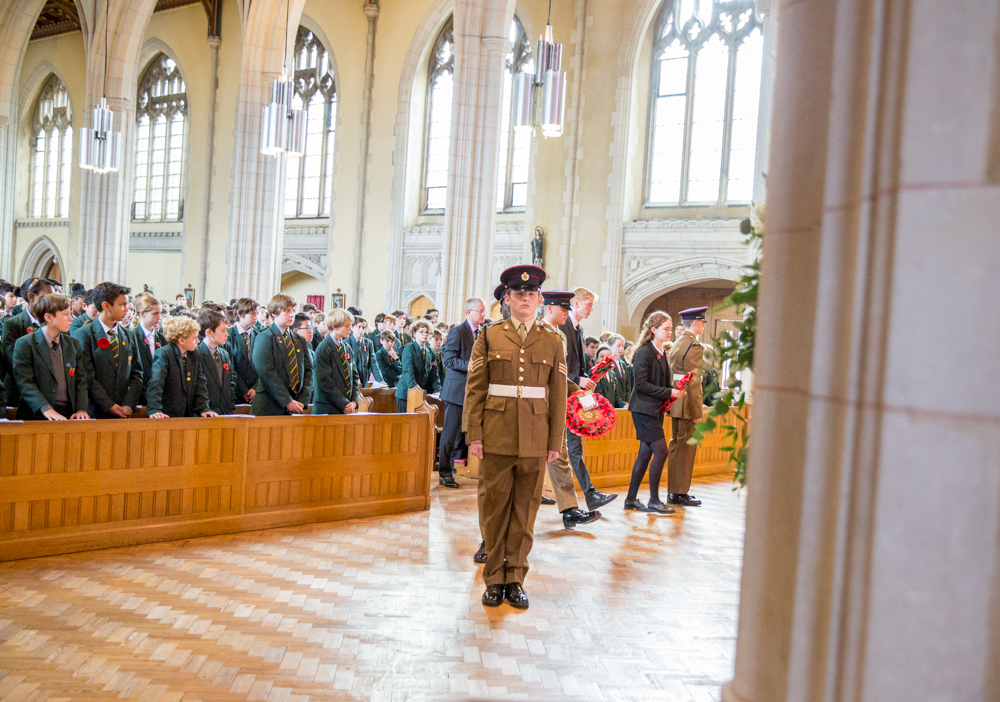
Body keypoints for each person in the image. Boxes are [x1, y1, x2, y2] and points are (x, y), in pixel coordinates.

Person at [464, 266, 566, 610]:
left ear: (539, 300)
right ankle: (494, 578)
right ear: (507, 300)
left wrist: (556, 441)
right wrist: (474, 433)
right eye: (518, 294)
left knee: (525, 513)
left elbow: (558, 394)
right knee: (494, 510)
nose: (525, 299)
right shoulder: (490, 336)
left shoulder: (552, 340)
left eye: (531, 294)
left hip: (536, 436)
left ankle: (516, 578)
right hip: (496, 433)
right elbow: (475, 389)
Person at [539, 290, 602, 528]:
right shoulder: (542, 334)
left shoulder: (559, 335)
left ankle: (570, 510)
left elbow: (560, 375)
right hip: (538, 407)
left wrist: (582, 396)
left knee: (559, 456)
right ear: (548, 308)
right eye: (563, 309)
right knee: (542, 459)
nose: (567, 313)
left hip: (556, 406)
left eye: (567, 309)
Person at [558, 287, 617, 510]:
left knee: (573, 446)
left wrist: (586, 381)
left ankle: (589, 495)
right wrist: (577, 379)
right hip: (564, 391)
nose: (591, 308)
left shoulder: (578, 328)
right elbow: (558, 364)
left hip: (576, 393)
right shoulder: (563, 326)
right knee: (569, 448)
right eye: (589, 304)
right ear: (575, 303)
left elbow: (578, 363)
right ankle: (586, 496)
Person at [625, 311, 687, 513]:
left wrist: (674, 391)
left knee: (645, 455)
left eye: (670, 329)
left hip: (654, 410)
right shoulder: (645, 352)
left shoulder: (660, 352)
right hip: (643, 409)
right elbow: (641, 385)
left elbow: (660, 382)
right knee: (661, 451)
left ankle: (631, 500)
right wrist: (669, 391)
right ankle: (653, 500)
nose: (670, 332)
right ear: (654, 330)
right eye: (666, 329)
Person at [11, 293, 89, 421]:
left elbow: (80, 380)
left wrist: (81, 408)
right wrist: (45, 408)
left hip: (69, 411)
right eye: (65, 314)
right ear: (48, 317)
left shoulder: (72, 344)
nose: (71, 318)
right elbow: (25, 382)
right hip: (36, 412)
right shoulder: (26, 343)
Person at [72, 282, 144, 419]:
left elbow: (137, 373)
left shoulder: (128, 335)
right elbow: (87, 376)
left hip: (123, 410)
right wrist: (108, 405)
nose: (126, 310)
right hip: (95, 410)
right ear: (105, 306)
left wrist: (129, 405)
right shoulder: (85, 334)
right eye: (121, 305)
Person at [438, 297, 485, 488]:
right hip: (456, 390)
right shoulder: (457, 331)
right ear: (469, 312)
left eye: (484, 311)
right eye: (480, 311)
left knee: (465, 433)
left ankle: (469, 468)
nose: (483, 315)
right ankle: (444, 473)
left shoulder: (482, 333)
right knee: (450, 433)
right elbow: (449, 359)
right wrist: (473, 367)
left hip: (474, 391)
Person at [667, 306, 707, 507]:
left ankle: (675, 490)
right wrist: (698, 413)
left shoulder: (677, 343)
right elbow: (694, 381)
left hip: (676, 401)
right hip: (687, 404)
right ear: (697, 324)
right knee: (685, 449)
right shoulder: (694, 346)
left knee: (676, 446)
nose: (702, 326)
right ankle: (679, 492)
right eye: (702, 323)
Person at [251, 294, 313, 416]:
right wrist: (287, 401)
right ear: (274, 313)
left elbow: (308, 370)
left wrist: (302, 400)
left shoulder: (298, 339)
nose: (291, 315)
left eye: (293, 311)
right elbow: (266, 372)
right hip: (269, 406)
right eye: (286, 311)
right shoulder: (265, 337)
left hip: (296, 405)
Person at [147, 316, 216, 419]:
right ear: (181, 340)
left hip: (188, 414)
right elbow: (156, 383)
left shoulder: (194, 355)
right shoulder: (164, 353)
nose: (198, 341)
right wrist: (155, 409)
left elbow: (200, 385)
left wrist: (204, 408)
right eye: (194, 338)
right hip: (168, 413)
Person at [1, 277, 55, 409]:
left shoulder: (54, 324)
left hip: (50, 392)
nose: (52, 303)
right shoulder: (14, 324)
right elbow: (12, 360)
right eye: (47, 297)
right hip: (19, 392)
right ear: (31, 297)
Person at [312, 308, 360, 416]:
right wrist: (344, 404)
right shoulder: (323, 348)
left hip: (346, 406)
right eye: (347, 326)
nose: (351, 329)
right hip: (328, 408)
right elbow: (325, 382)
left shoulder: (346, 347)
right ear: (335, 326)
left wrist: (353, 402)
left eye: (351, 325)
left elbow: (354, 377)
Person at [195, 308, 238, 416]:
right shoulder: (197, 354)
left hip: (225, 410)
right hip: (206, 412)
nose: (227, 334)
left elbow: (231, 380)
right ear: (209, 332)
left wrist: (230, 401)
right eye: (223, 330)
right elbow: (197, 386)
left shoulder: (224, 354)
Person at [394, 319, 439, 413]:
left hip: (421, 393)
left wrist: (437, 389)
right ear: (414, 334)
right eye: (421, 332)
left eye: (427, 332)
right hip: (406, 393)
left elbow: (434, 373)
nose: (425, 334)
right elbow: (408, 371)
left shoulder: (430, 351)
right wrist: (415, 390)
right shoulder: (409, 349)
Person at [130, 292, 165, 408]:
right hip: (139, 397)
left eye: (160, 313)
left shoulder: (163, 339)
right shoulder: (132, 337)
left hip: (159, 398)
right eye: (155, 314)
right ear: (142, 314)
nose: (159, 317)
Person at [224, 297, 258, 406]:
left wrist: (255, 388)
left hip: (256, 391)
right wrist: (243, 391)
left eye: (256, 313)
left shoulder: (259, 335)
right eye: (252, 313)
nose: (256, 317)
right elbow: (230, 367)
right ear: (239, 313)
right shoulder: (228, 335)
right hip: (236, 392)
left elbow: (263, 365)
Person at [344, 315, 384, 386]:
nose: (362, 330)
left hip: (364, 379)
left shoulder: (368, 343)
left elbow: (373, 363)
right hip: (351, 380)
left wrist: (380, 380)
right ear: (352, 327)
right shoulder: (346, 343)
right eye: (359, 327)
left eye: (363, 328)